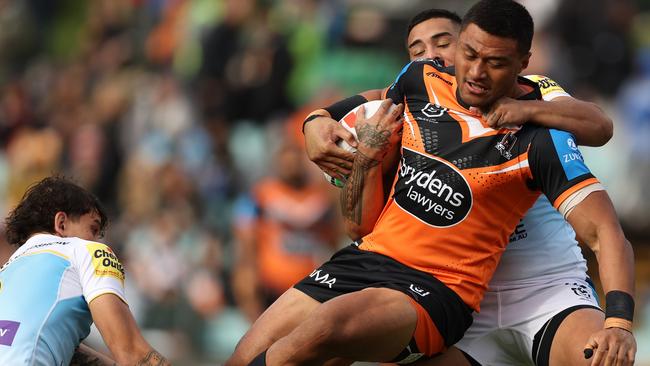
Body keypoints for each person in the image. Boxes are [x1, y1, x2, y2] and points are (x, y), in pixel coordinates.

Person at [225, 1, 635, 365]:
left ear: (521, 63)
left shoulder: (541, 115)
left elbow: (599, 130)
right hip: (415, 286)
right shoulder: (416, 90)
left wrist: (618, 321)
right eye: (419, 49)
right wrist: (316, 122)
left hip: (519, 289)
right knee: (277, 350)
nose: (470, 69)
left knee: (603, 358)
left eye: (443, 43)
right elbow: (358, 225)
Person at [0, 176, 170, 365]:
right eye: (93, 229)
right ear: (61, 223)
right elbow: (132, 353)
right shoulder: (87, 251)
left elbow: (63, 351)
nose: (98, 242)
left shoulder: (6, 272)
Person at [232, 140, 339, 321]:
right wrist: (251, 263)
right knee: (244, 277)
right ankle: (254, 328)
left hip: (310, 276)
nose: (291, 166)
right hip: (271, 281)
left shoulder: (321, 195)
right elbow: (243, 229)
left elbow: (335, 233)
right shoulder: (261, 194)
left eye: (295, 160)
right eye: (286, 161)